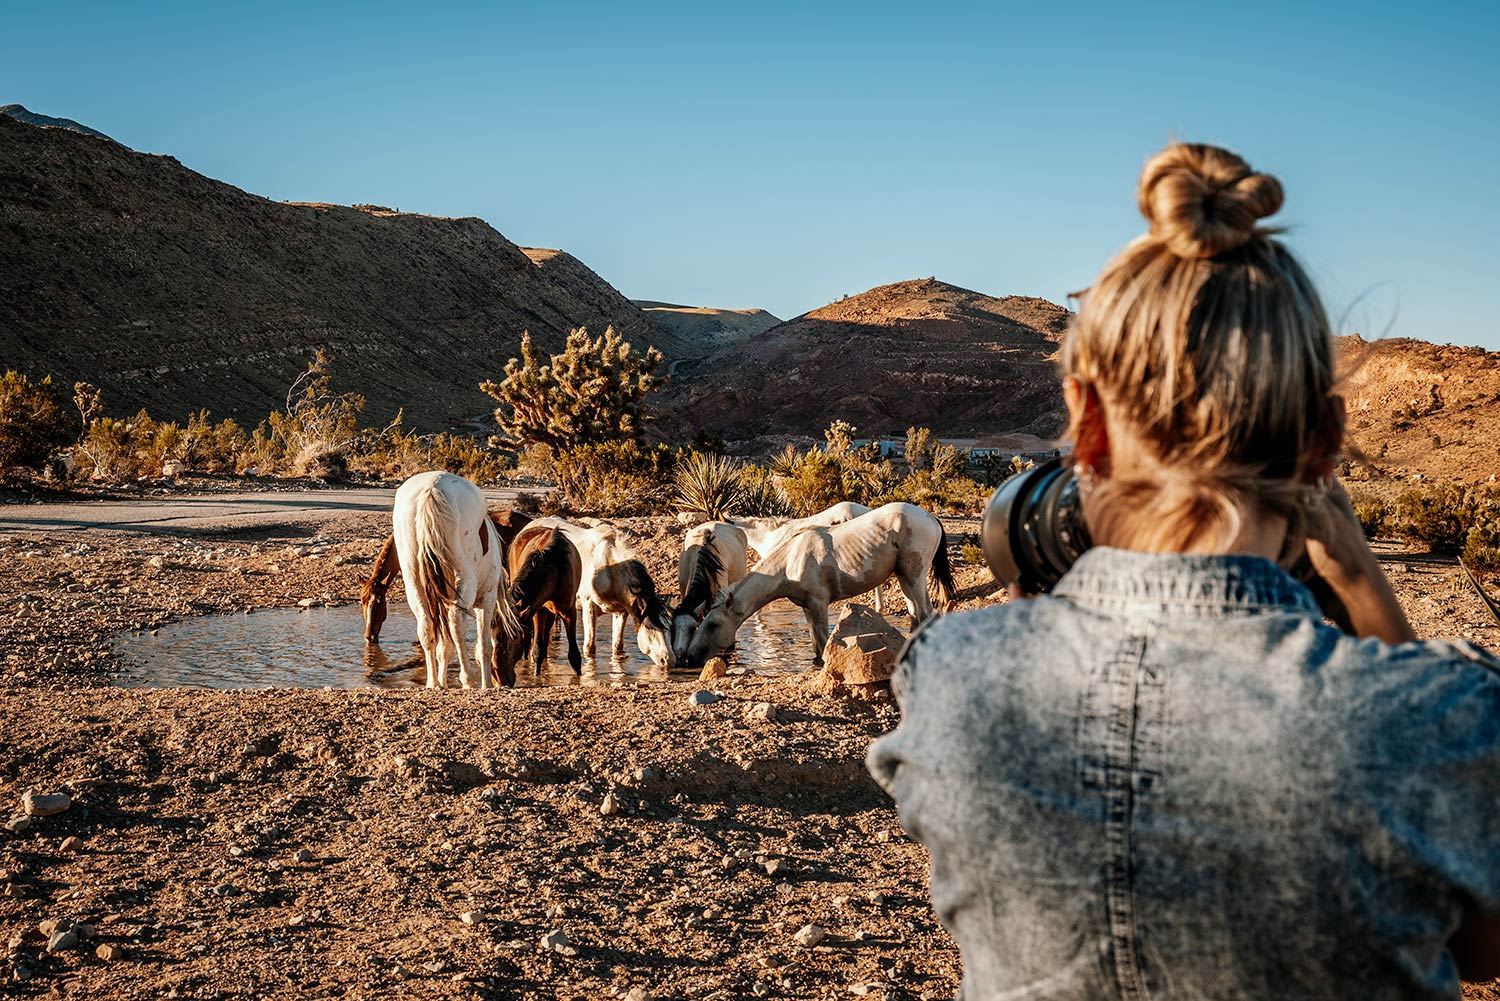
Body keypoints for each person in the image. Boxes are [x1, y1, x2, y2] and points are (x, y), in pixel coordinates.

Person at [868, 143, 1500, 1000]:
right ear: (1321, 442)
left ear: (1085, 422)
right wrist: (1357, 576)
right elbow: (1482, 950)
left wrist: (1023, 621)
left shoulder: (955, 683)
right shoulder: (1444, 718)